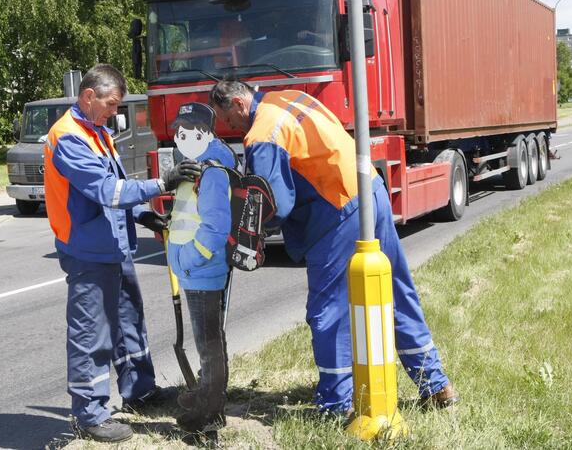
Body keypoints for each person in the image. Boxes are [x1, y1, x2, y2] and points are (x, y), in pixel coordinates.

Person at [209, 80, 459, 416]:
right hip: (371, 190)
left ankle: (336, 405)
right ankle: (438, 386)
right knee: (396, 291)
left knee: (329, 312)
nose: (230, 128)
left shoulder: (262, 133)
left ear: (238, 103)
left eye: (227, 119)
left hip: (338, 212)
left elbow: (274, 204)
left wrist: (243, 232)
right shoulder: (291, 98)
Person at [43, 64, 201, 443]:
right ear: (88, 97)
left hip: (114, 246)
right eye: (112, 104)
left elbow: (120, 190)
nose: (116, 112)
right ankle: (90, 415)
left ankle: (140, 391)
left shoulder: (97, 132)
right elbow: (106, 191)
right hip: (87, 251)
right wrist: (163, 182)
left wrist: (148, 216)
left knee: (129, 323)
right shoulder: (68, 139)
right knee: (92, 334)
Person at [165, 102, 237, 433]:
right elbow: (187, 212)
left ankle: (210, 411)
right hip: (193, 269)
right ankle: (207, 393)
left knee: (208, 344)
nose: (180, 137)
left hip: (202, 270)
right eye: (177, 132)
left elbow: (216, 225)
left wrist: (191, 258)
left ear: (204, 133)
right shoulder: (193, 165)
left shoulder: (211, 170)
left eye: (187, 132)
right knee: (206, 340)